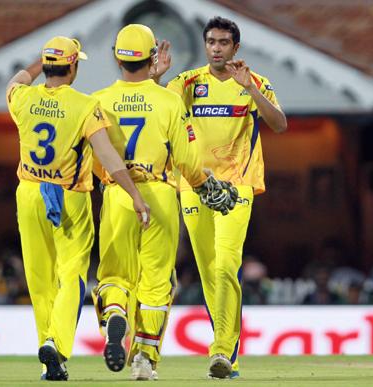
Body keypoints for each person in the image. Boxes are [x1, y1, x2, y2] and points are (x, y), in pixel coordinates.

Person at [91, 24, 236, 381]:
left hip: (117, 193)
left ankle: (115, 316)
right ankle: (144, 358)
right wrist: (205, 186)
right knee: (156, 283)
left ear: (116, 56)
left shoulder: (97, 101)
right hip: (158, 192)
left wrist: (109, 180)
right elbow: (187, 158)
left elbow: (94, 155)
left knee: (114, 275)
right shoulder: (169, 100)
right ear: (152, 58)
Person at [6, 36, 150, 381]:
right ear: (72, 67)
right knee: (71, 276)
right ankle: (57, 344)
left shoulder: (22, 99)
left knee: (39, 282)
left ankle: (49, 360)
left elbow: (17, 80)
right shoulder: (85, 106)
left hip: (29, 194)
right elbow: (108, 156)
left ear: (47, 67)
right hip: (69, 197)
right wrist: (134, 194)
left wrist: (42, 62)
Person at [156, 16, 287, 378]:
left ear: (235, 48)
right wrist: (154, 77)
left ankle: (222, 351)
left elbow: (279, 124)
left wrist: (253, 91)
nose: (216, 48)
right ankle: (228, 357)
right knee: (209, 272)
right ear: (205, 45)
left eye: (223, 42)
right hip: (194, 185)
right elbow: (155, 109)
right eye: (211, 41)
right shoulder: (187, 82)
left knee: (228, 264)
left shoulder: (255, 82)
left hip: (237, 185)